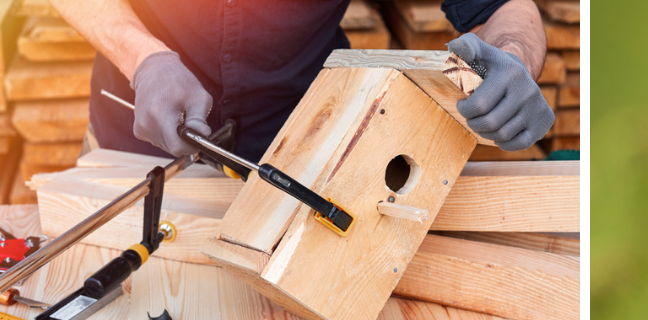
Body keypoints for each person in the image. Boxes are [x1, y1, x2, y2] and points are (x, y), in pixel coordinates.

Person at [49, 0, 555, 163]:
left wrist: (511, 57)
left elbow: (506, 7)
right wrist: (143, 59)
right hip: (136, 137)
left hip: (311, 144)